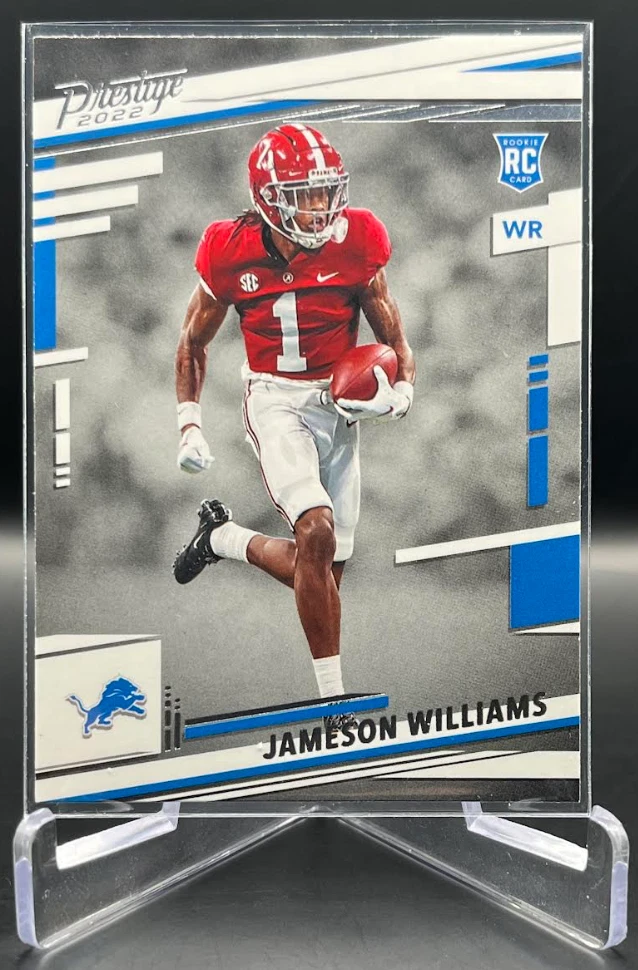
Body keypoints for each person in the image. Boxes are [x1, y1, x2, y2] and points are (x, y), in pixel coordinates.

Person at [173, 123, 415, 730]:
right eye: (304, 194)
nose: (320, 206)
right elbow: (194, 341)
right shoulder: (229, 250)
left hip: (337, 405)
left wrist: (400, 393)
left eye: (326, 191)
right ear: (267, 198)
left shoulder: (358, 240)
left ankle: (222, 539)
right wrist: (189, 422)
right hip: (275, 399)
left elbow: (393, 335)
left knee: (326, 571)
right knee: (315, 532)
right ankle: (334, 707)